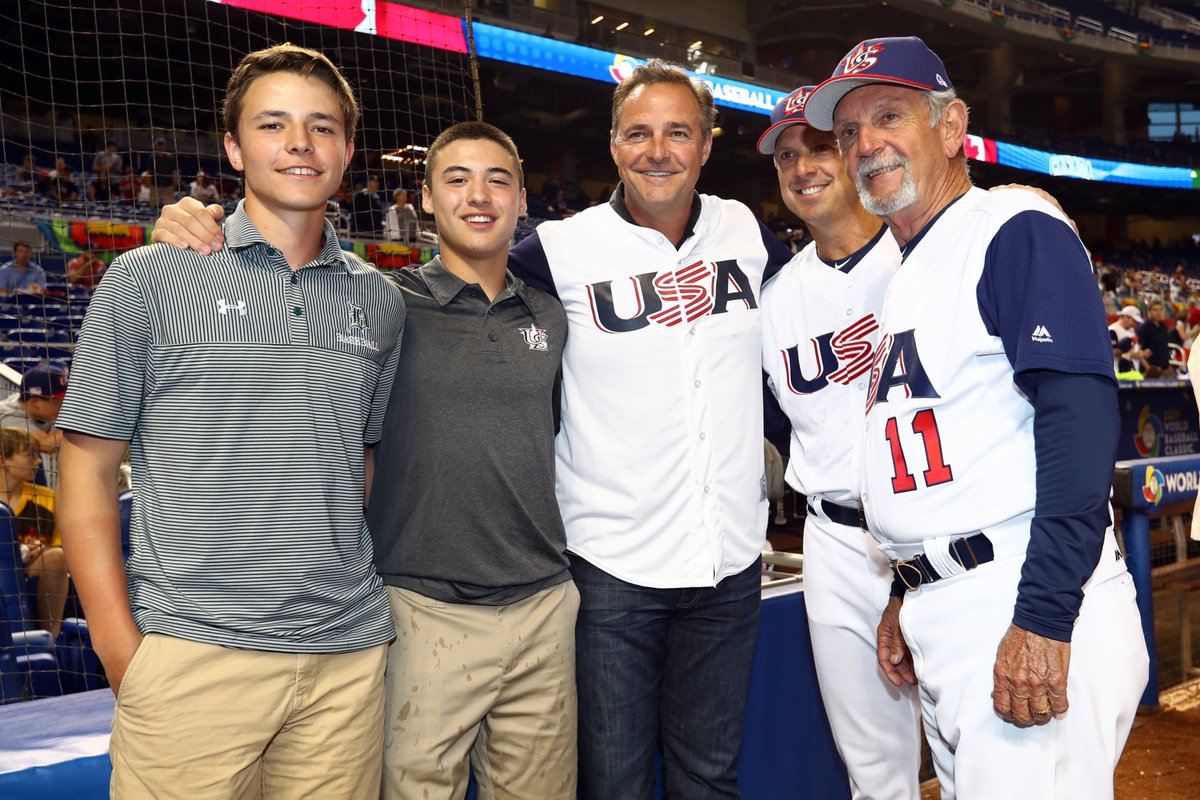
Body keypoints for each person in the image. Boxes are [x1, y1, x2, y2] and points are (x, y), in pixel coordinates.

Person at [148, 123, 576, 799]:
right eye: (457, 178)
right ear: (427, 199)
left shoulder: (553, 317)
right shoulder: (379, 301)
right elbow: (284, 274)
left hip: (544, 606)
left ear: (524, 200)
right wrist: (191, 226)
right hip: (421, 608)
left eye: (498, 179)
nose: (479, 195)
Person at [57, 43, 404, 800]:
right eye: (274, 124)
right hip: (194, 661)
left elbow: (361, 461)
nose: (299, 144)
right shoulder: (151, 274)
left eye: (320, 127)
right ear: (233, 146)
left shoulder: (380, 301)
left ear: (347, 150)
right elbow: (83, 467)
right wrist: (124, 653)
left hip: (347, 663)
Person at [804, 36, 1147, 799]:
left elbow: (1080, 419)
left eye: (889, 116)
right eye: (849, 132)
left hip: (1021, 598)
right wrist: (910, 586)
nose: (866, 145)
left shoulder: (1010, 226)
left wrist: (1046, 617)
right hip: (958, 600)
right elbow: (954, 447)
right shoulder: (908, 270)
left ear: (953, 126)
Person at [507, 60, 793, 799]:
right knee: (615, 782)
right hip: (610, 569)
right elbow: (460, 286)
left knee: (708, 778)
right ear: (612, 145)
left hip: (728, 561)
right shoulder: (558, 250)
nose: (657, 150)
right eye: (638, 133)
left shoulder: (749, 235)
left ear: (705, 147)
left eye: (677, 133)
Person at [756, 85, 921, 800]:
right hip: (834, 538)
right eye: (786, 156)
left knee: (970, 746)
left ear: (853, 151)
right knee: (873, 767)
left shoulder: (922, 258)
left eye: (819, 147)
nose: (802, 167)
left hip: (931, 530)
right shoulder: (777, 297)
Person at [2, 427, 68, 638]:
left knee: (56, 558)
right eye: (30, 455)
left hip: (30, 570)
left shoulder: (47, 498)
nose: (38, 461)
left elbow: (61, 546)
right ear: (2, 460)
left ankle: (51, 640)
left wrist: (41, 550)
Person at [0, 364, 68, 488]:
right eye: (60, 402)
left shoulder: (42, 410)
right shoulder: (7, 417)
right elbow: (47, 445)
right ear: (35, 403)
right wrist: (81, 420)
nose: (66, 406)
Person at [1136, 299, 1174, 377]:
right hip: (1152, 370)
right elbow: (1138, 351)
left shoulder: (1163, 326)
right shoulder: (1143, 328)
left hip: (1166, 368)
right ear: (1148, 311)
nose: (1158, 313)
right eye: (1155, 310)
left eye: (1160, 310)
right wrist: (1149, 370)